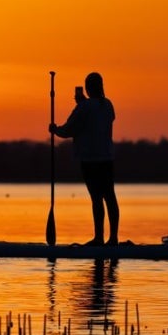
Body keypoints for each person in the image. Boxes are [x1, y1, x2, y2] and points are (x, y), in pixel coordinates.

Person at [50, 71, 119, 245]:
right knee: (110, 196)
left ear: (88, 88)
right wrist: (83, 105)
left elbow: (69, 129)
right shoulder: (108, 105)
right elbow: (98, 119)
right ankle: (113, 238)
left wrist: (55, 129)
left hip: (90, 159)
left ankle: (99, 238)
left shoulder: (85, 107)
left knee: (97, 198)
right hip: (106, 158)